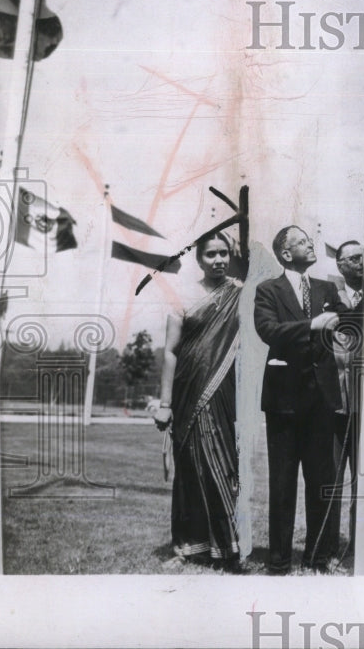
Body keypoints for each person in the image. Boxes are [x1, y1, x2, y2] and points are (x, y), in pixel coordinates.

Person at [253, 225, 346, 574]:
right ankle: (278, 561)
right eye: (303, 241)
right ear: (286, 253)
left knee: (321, 481)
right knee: (283, 482)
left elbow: (349, 321)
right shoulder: (268, 290)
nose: (311, 245)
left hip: (322, 399)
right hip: (283, 400)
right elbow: (268, 331)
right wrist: (313, 324)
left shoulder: (326, 288)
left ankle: (317, 557)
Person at [153, 232, 243, 571]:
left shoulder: (240, 293)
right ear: (199, 259)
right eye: (211, 255)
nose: (219, 260)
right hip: (187, 393)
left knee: (222, 465)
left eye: (224, 253)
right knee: (190, 470)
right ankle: (189, 547)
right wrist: (165, 403)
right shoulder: (183, 297)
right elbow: (171, 352)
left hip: (223, 391)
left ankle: (227, 549)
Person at [331, 239, 364, 556]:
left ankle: (360, 544)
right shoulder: (329, 294)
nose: (360, 263)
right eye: (353, 258)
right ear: (339, 264)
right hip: (334, 402)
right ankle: (328, 544)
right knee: (331, 477)